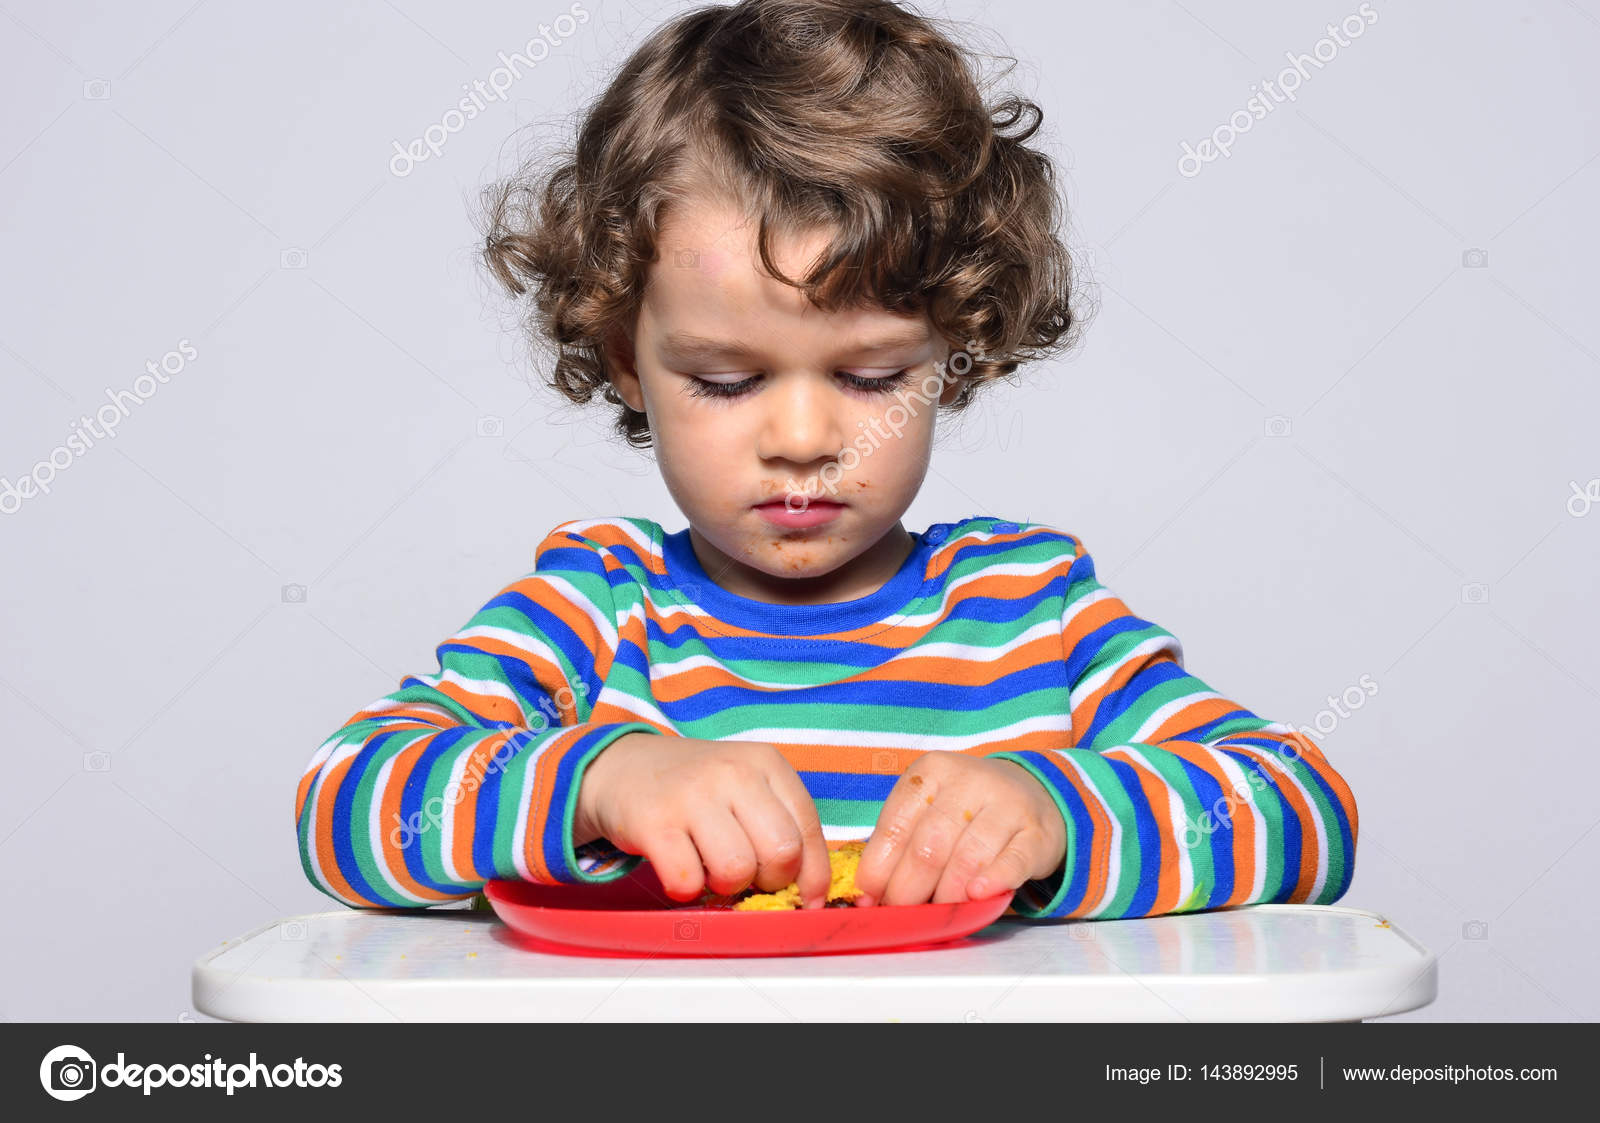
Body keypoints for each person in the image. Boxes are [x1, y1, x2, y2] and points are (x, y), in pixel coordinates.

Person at [295, 0, 1357, 919]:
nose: (803, 440)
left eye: (870, 377)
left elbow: (1301, 805)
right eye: (724, 380)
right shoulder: (599, 615)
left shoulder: (1032, 614)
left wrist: (1061, 816)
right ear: (627, 359)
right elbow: (345, 801)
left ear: (952, 354)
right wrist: (598, 777)